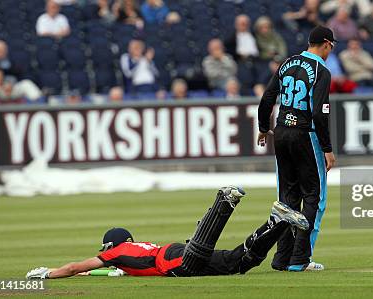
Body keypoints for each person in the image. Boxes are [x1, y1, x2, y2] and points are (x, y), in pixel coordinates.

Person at [26, 187, 310, 279]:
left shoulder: (115, 254)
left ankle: (224, 201)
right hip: (170, 252)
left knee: (197, 253)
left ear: (110, 247)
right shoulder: (129, 253)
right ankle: (277, 221)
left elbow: (78, 266)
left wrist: (47, 273)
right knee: (241, 263)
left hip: (173, 261)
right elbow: (98, 272)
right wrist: (91, 274)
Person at [257, 26, 336, 272]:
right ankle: (301, 258)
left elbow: (268, 97)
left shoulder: (287, 63)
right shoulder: (320, 70)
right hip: (306, 134)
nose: (331, 51)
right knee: (314, 197)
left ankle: (282, 258)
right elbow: (319, 113)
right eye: (331, 46)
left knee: (287, 199)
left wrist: (263, 127)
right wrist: (328, 148)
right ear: (325, 44)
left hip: (281, 133)